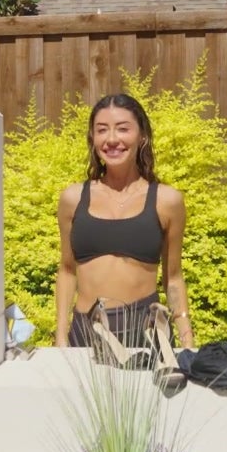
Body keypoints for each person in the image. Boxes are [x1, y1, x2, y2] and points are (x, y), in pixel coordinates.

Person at [55, 93, 196, 353]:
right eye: (102, 130)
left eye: (122, 129)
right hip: (86, 333)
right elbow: (66, 270)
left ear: (142, 136)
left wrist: (187, 340)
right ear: (92, 138)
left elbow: (174, 277)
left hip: (146, 334)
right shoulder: (73, 199)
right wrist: (61, 335)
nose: (111, 139)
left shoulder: (167, 201)